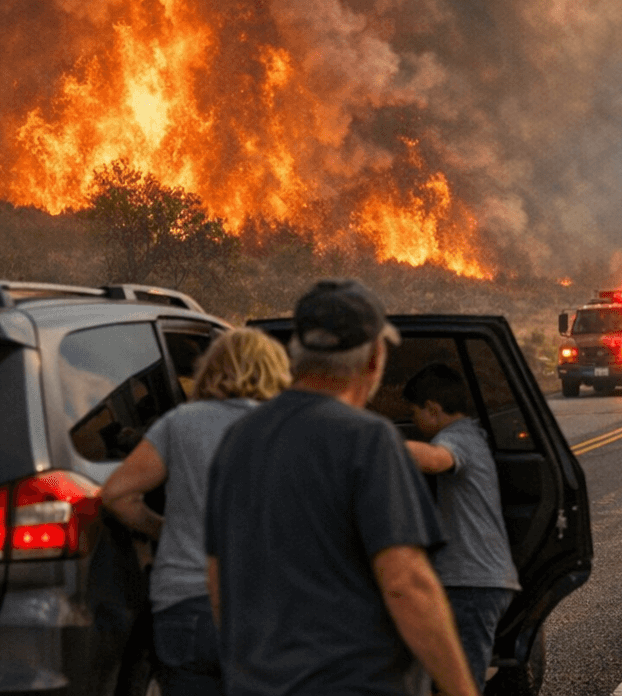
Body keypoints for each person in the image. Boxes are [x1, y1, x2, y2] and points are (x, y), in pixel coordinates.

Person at [204, 279, 479, 696]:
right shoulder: (368, 439)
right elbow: (406, 582)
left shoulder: (238, 438)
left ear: (297, 355)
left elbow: (218, 576)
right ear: (373, 359)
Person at [102, 328, 292, 696]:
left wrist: (164, 530)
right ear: (274, 371)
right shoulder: (289, 428)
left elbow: (117, 494)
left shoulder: (180, 423)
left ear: (212, 369)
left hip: (184, 604)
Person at [402, 363, 521, 692]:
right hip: (472, 581)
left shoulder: (459, 438)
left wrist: (373, 440)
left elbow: (437, 460)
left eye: (414, 413)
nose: (413, 422)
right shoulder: (471, 434)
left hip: (473, 583)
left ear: (432, 409)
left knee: (461, 685)